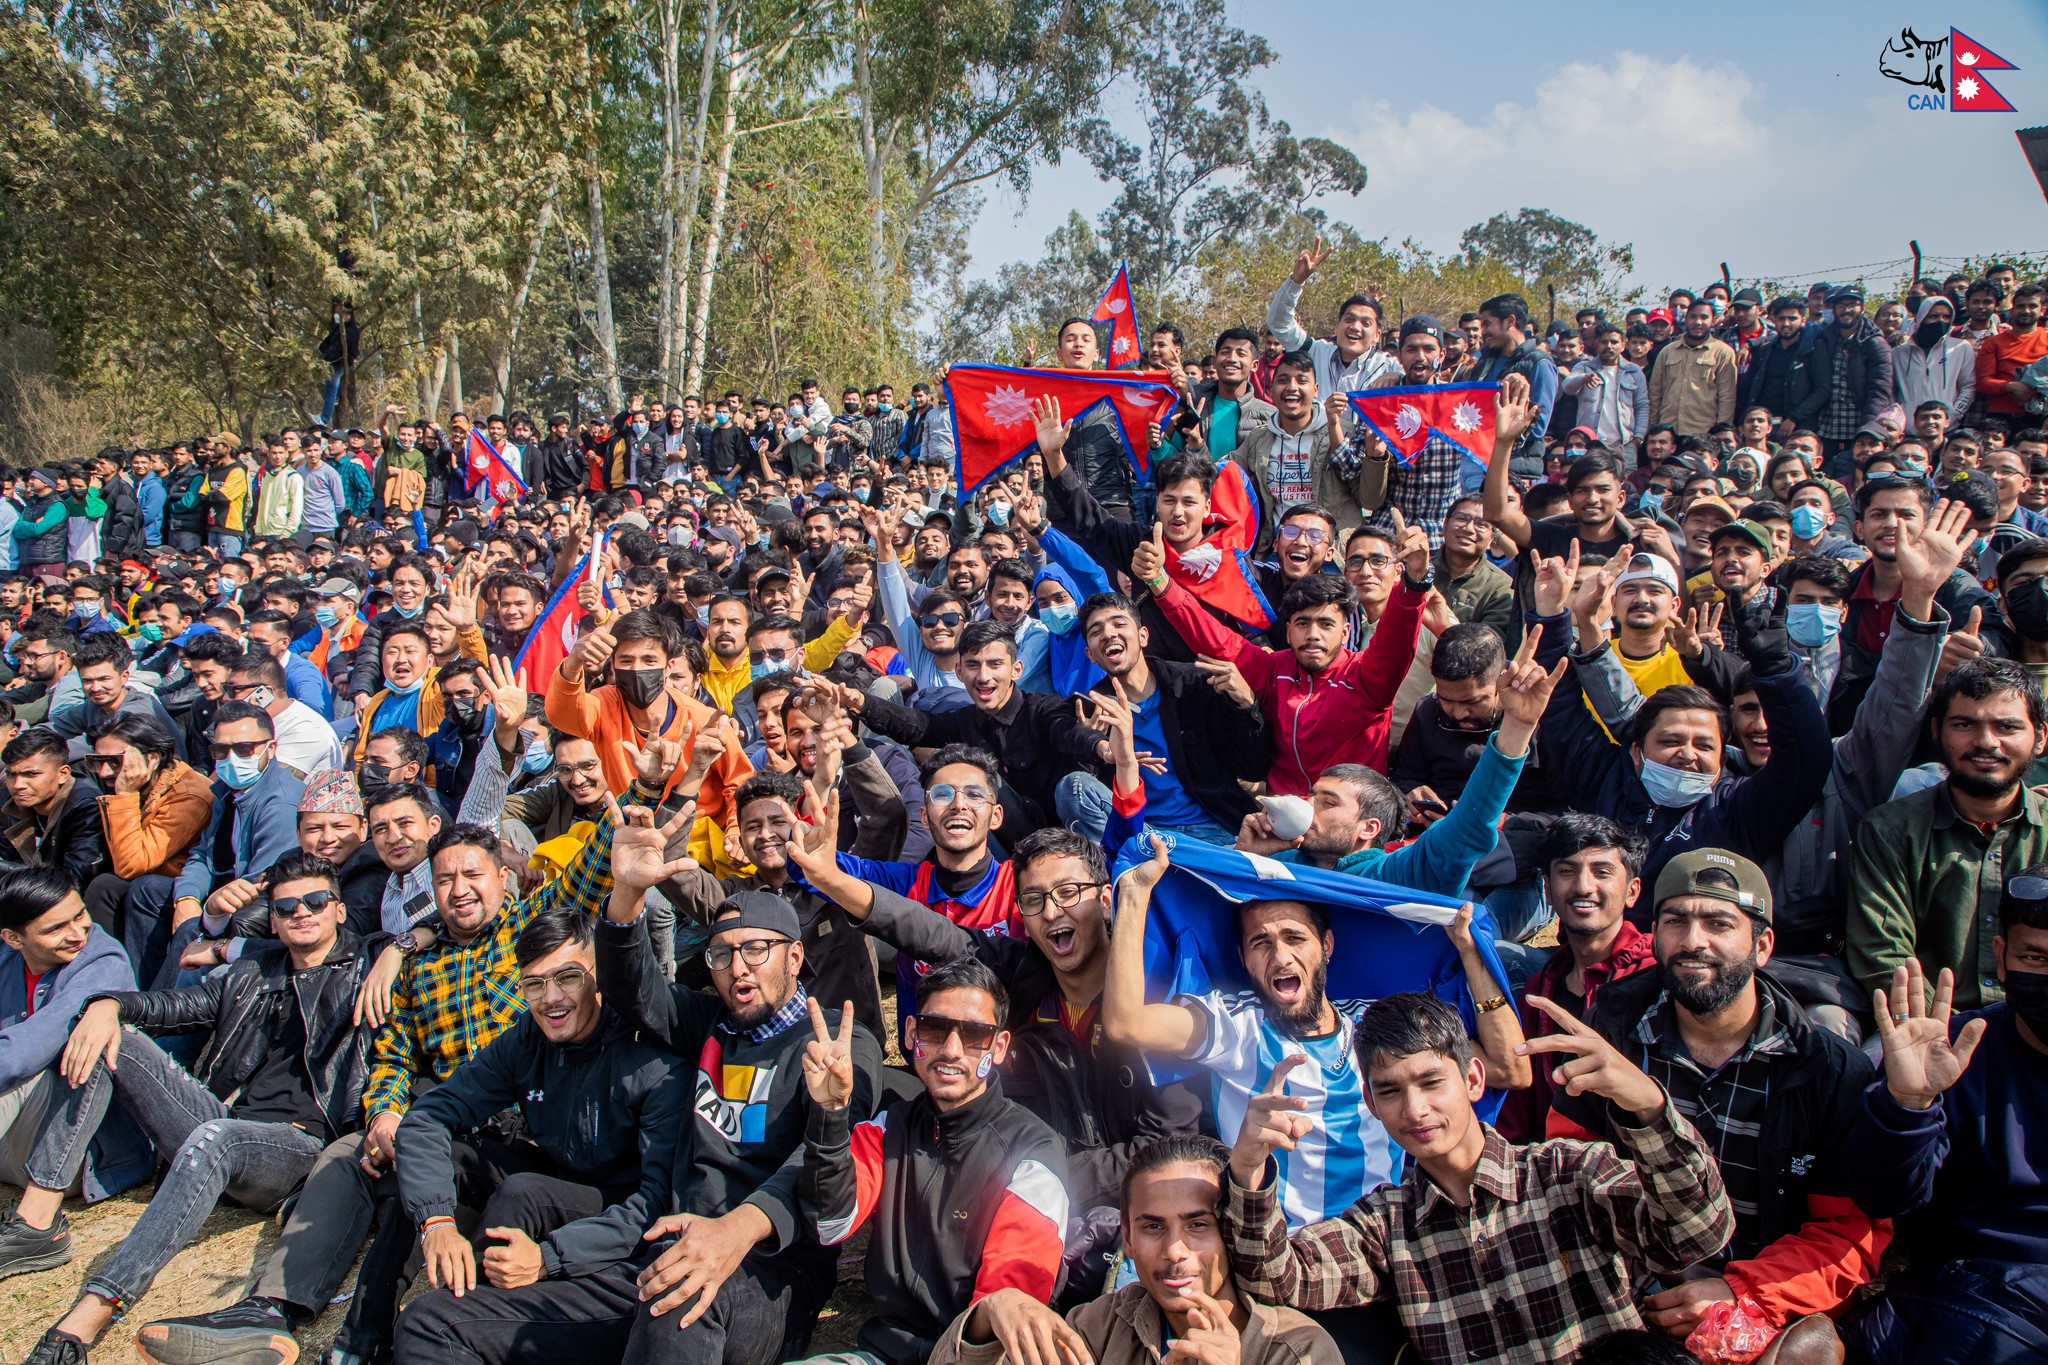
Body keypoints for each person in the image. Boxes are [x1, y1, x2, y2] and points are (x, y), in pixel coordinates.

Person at [1217, 990, 1734, 1365]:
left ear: (1472, 1079)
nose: (1415, 1109)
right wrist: (1247, 1169)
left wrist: (1647, 1107)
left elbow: (1696, 1233)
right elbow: (1278, 1278)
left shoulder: (1568, 1173)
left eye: (1430, 1082)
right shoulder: (1385, 1226)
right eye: (1390, 1091)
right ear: (1370, 1103)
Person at [10, 851, 384, 1365]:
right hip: (229, 1127)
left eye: (316, 901)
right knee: (110, 1037)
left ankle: (93, 1312)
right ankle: (37, 1219)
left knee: (220, 1137)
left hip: (301, 1146)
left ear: (339, 910)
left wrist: (402, 947)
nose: (302, 912)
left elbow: (426, 935)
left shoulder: (370, 962)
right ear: (274, 921)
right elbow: (170, 1007)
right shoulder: (251, 973)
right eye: (287, 906)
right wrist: (107, 1004)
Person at [1101, 834, 1528, 1247]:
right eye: (1261, 943)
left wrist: (1471, 954)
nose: (1280, 957)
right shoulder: (1234, 1024)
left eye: (1295, 938)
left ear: (1326, 946)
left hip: (1385, 1243)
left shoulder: (1375, 1026)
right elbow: (1127, 1024)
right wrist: (1135, 897)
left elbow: (1510, 1068)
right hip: (1283, 1252)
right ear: (1244, 959)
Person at [1550, 850, 1877, 1350]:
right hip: (1630, 1292)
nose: (1693, 941)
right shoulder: (1610, 1033)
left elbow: (1847, 1231)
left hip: (1762, 1302)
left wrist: (1743, 1292)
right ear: (1653, 935)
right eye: (1675, 921)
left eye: (1718, 923)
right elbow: (1569, 1173)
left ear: (1762, 945)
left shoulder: (1827, 1070)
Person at [383, 909, 691, 1365]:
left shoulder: (652, 1058)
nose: (551, 998)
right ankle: (364, 1337)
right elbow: (428, 1116)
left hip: (624, 1205)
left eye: (567, 977)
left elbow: (657, 1202)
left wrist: (549, 1256)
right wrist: (437, 1223)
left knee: (522, 1192)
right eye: (534, 984)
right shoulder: (527, 1039)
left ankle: (467, 1320)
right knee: (450, 1161)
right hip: (561, 1173)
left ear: (600, 975)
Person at [795, 956, 1070, 1365]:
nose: (951, 1050)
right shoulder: (888, 1128)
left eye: (974, 1035)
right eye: (935, 1029)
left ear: (999, 1047)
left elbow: (1005, 1306)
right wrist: (831, 1114)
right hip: (883, 1354)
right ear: (910, 1032)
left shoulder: (1034, 1152)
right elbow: (830, 1222)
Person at [926, 1135, 1342, 1365]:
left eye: (1198, 1225)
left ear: (1230, 1231)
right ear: (1126, 1239)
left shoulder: (1297, 1349)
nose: (1174, 1250)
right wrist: (988, 1317)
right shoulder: (1099, 1326)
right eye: (1152, 1227)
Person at [1838, 917, 2048, 1363]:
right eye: (2036, 957)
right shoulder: (1946, 1052)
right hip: (1973, 1303)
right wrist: (1908, 1104)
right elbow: (1882, 1197)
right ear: (2001, 959)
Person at [1847, 657, 2048, 1012]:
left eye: (2007, 727)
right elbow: (1883, 953)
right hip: (1925, 1025)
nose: (1986, 742)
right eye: (1965, 724)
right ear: (1937, 730)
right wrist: (1944, 1028)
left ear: (2040, 737)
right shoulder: (1890, 831)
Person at [0, 866, 146, 1271]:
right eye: (55, 929)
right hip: (11, 1143)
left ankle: (37, 1229)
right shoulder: (6, 958)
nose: (77, 933)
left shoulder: (103, 961)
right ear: (13, 938)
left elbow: (25, 1053)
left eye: (80, 915)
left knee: (23, 1070)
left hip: (78, 1154)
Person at [1263, 239, 1401, 401]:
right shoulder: (1315, 353)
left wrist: (1399, 377)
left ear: (1377, 335)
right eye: (1349, 319)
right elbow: (1278, 322)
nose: (1355, 327)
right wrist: (1296, 282)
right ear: (1337, 325)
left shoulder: (1388, 367)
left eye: (1366, 323)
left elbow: (1421, 383)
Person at [1, 726, 107, 894]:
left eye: (31, 774)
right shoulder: (8, 801)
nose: (18, 785)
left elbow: (75, 879)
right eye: (11, 774)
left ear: (63, 774)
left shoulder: (86, 807)